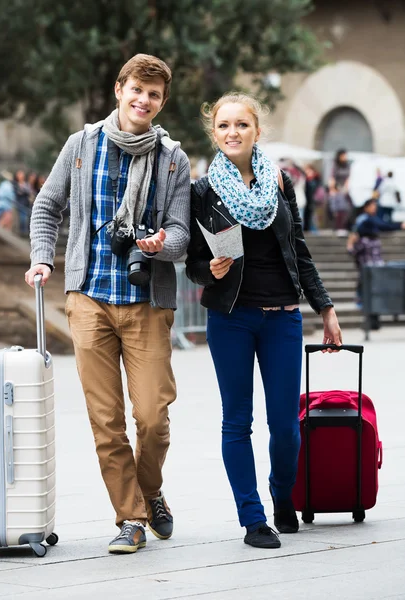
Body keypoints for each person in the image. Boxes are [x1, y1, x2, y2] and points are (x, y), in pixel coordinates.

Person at [25, 54, 191, 555]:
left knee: (153, 417)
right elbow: (48, 205)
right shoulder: (82, 146)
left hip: (146, 301)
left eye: (154, 95)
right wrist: (42, 259)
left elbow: (183, 235)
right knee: (106, 419)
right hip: (89, 298)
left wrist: (161, 242)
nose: (144, 100)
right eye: (136, 90)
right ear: (119, 90)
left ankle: (150, 489)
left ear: (162, 102)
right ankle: (131, 517)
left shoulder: (172, 159)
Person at [185, 92, 342, 550]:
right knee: (237, 422)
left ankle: (281, 495)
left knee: (286, 426)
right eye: (223, 126)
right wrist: (205, 270)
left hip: (282, 319)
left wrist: (325, 308)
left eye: (241, 124)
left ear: (257, 130)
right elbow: (193, 260)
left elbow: (298, 248)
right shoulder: (202, 191)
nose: (232, 132)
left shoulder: (279, 181)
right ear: (214, 133)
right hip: (230, 319)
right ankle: (253, 519)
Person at [347, 198, 405, 326]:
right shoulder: (364, 221)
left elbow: (384, 226)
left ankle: (371, 317)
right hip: (367, 265)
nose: (375, 208)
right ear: (366, 207)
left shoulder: (372, 224)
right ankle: (363, 305)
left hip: (374, 265)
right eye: (372, 206)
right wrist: (351, 246)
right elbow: (355, 233)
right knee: (367, 288)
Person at [328, 149, 352, 235]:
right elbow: (332, 178)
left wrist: (346, 188)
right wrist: (333, 189)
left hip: (344, 190)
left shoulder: (347, 166)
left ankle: (343, 227)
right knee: (337, 210)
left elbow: (348, 177)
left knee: (345, 209)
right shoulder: (335, 166)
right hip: (336, 190)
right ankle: (338, 227)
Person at [14, 169, 32, 236]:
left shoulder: (26, 184)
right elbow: (18, 192)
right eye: (19, 174)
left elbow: (28, 192)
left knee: (25, 218)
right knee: (22, 218)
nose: (21, 176)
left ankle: (24, 231)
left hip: (25, 203)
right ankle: (22, 231)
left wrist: (23, 190)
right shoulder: (15, 184)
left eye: (22, 174)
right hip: (19, 203)